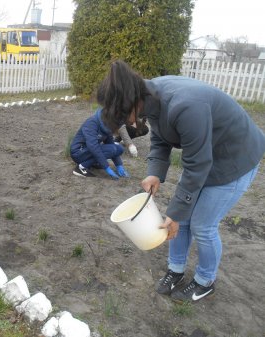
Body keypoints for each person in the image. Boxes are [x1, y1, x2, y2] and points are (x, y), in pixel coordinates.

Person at [98, 60, 265, 302]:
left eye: (125, 117)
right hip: (207, 155)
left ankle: (205, 281)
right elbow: (161, 139)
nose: (128, 123)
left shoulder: (185, 105)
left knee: (202, 225)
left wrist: (176, 213)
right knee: (180, 217)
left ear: (133, 101)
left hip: (235, 158)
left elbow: (197, 166)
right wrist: (155, 171)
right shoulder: (151, 97)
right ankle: (175, 270)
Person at [70, 107, 129, 179]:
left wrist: (119, 165)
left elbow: (111, 144)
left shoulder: (107, 127)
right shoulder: (92, 123)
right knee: (111, 149)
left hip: (88, 151)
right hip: (78, 152)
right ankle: (81, 168)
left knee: (119, 148)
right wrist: (106, 167)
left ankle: (92, 163)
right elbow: (93, 147)